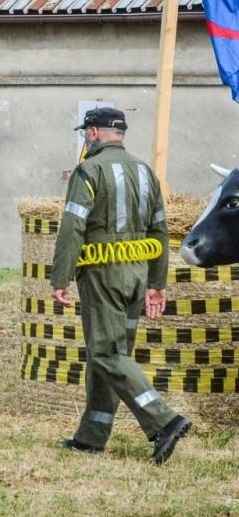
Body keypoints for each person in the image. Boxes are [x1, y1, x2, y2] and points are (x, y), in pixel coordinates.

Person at [50, 107, 192, 463]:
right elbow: (160, 231)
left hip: (103, 274)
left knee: (106, 353)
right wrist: (156, 283)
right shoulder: (146, 172)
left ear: (94, 133)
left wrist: (60, 277)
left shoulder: (89, 170)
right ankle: (91, 436)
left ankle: (164, 420)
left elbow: (72, 228)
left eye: (87, 132)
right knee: (111, 354)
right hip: (138, 274)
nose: (86, 137)